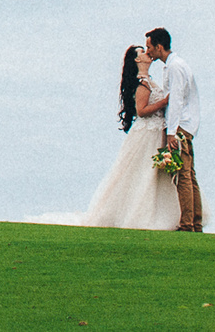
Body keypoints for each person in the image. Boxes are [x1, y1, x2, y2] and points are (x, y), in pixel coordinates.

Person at [77, 43, 180, 228]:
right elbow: (142, 111)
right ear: (137, 60)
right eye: (143, 52)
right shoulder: (142, 83)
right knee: (141, 174)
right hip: (147, 134)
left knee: (153, 175)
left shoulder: (148, 80)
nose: (148, 53)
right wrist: (164, 102)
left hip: (155, 131)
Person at [145, 28, 202, 232]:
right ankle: (195, 221)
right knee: (189, 175)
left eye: (150, 47)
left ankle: (188, 224)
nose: (148, 51)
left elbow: (176, 100)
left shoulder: (175, 67)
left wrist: (171, 132)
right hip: (186, 125)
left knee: (183, 175)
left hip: (181, 126)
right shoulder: (176, 65)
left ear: (159, 47)